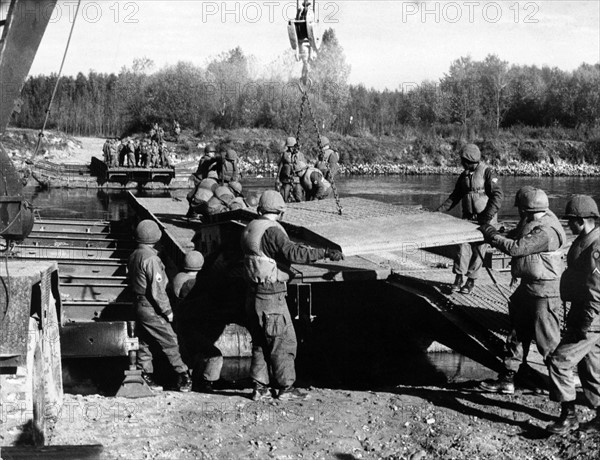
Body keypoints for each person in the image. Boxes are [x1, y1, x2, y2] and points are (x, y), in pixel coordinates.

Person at [240, 190, 344, 401]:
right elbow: (294, 253)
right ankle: (285, 389)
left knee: (261, 342)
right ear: (280, 210)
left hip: (253, 295)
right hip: (272, 297)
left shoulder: (251, 227)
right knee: (284, 341)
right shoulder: (273, 231)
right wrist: (324, 252)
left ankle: (260, 388)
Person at [478, 188, 566, 394]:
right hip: (528, 288)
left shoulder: (546, 231)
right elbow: (518, 235)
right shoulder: (533, 220)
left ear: (526, 209)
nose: (520, 214)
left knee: (548, 341)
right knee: (517, 334)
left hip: (544, 292)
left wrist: (491, 236)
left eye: (521, 210)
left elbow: (517, 248)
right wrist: (498, 232)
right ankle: (508, 378)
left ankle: (560, 387)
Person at [546, 195, 600, 434]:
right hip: (587, 313)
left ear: (582, 220)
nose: (568, 225)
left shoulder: (596, 246)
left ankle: (569, 416)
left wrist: (586, 320)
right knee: (591, 365)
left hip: (591, 314)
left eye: (571, 220)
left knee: (559, 361)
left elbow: (597, 287)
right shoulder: (588, 239)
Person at [128, 219, 192, 392]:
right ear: (155, 236)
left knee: (145, 342)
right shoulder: (151, 259)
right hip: (151, 307)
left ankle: (145, 376)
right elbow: (157, 289)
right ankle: (184, 375)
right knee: (170, 340)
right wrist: (168, 311)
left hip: (138, 304)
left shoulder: (135, 254)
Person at [436, 143, 503, 294]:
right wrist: (438, 212)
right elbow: (454, 197)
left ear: (468, 160)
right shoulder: (463, 176)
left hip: (485, 219)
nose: (461, 163)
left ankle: (471, 280)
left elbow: (497, 197)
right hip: (468, 218)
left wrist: (486, 217)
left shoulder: (487, 173)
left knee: (479, 249)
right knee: (462, 246)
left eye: (462, 160)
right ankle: (459, 277)